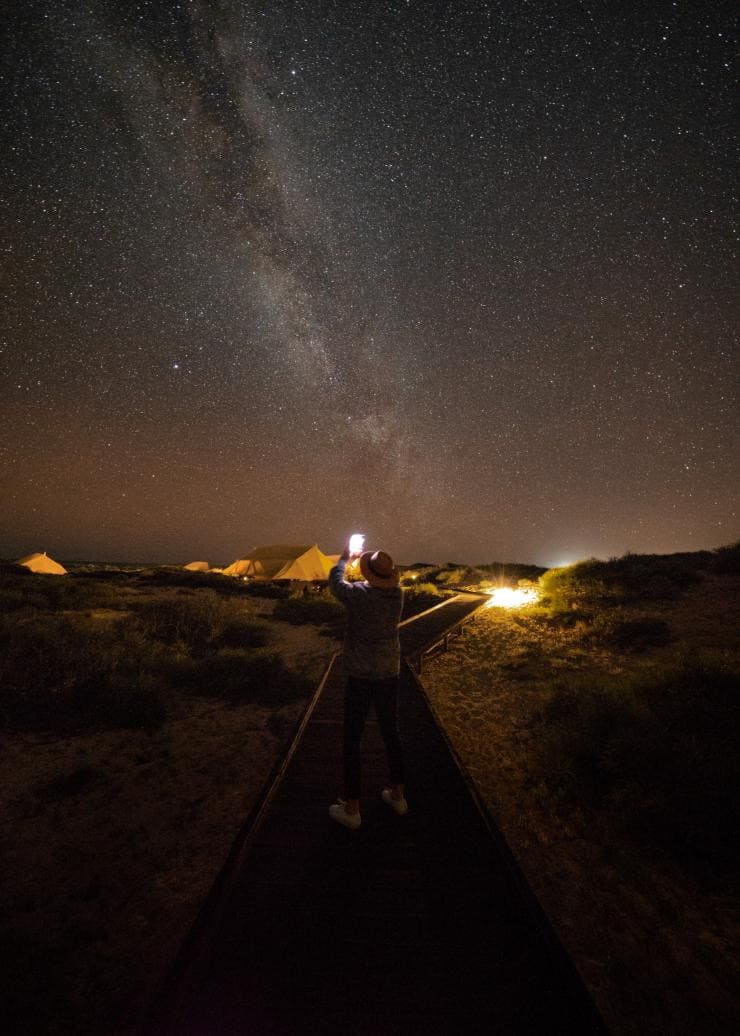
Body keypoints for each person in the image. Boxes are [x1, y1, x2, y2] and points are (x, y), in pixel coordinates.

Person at [327, 543, 407, 830]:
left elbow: (335, 583)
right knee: (390, 732)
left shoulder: (357, 595)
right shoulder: (397, 594)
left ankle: (352, 808)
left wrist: (345, 557)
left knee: (352, 739)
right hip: (389, 672)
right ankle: (398, 795)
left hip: (360, 675)